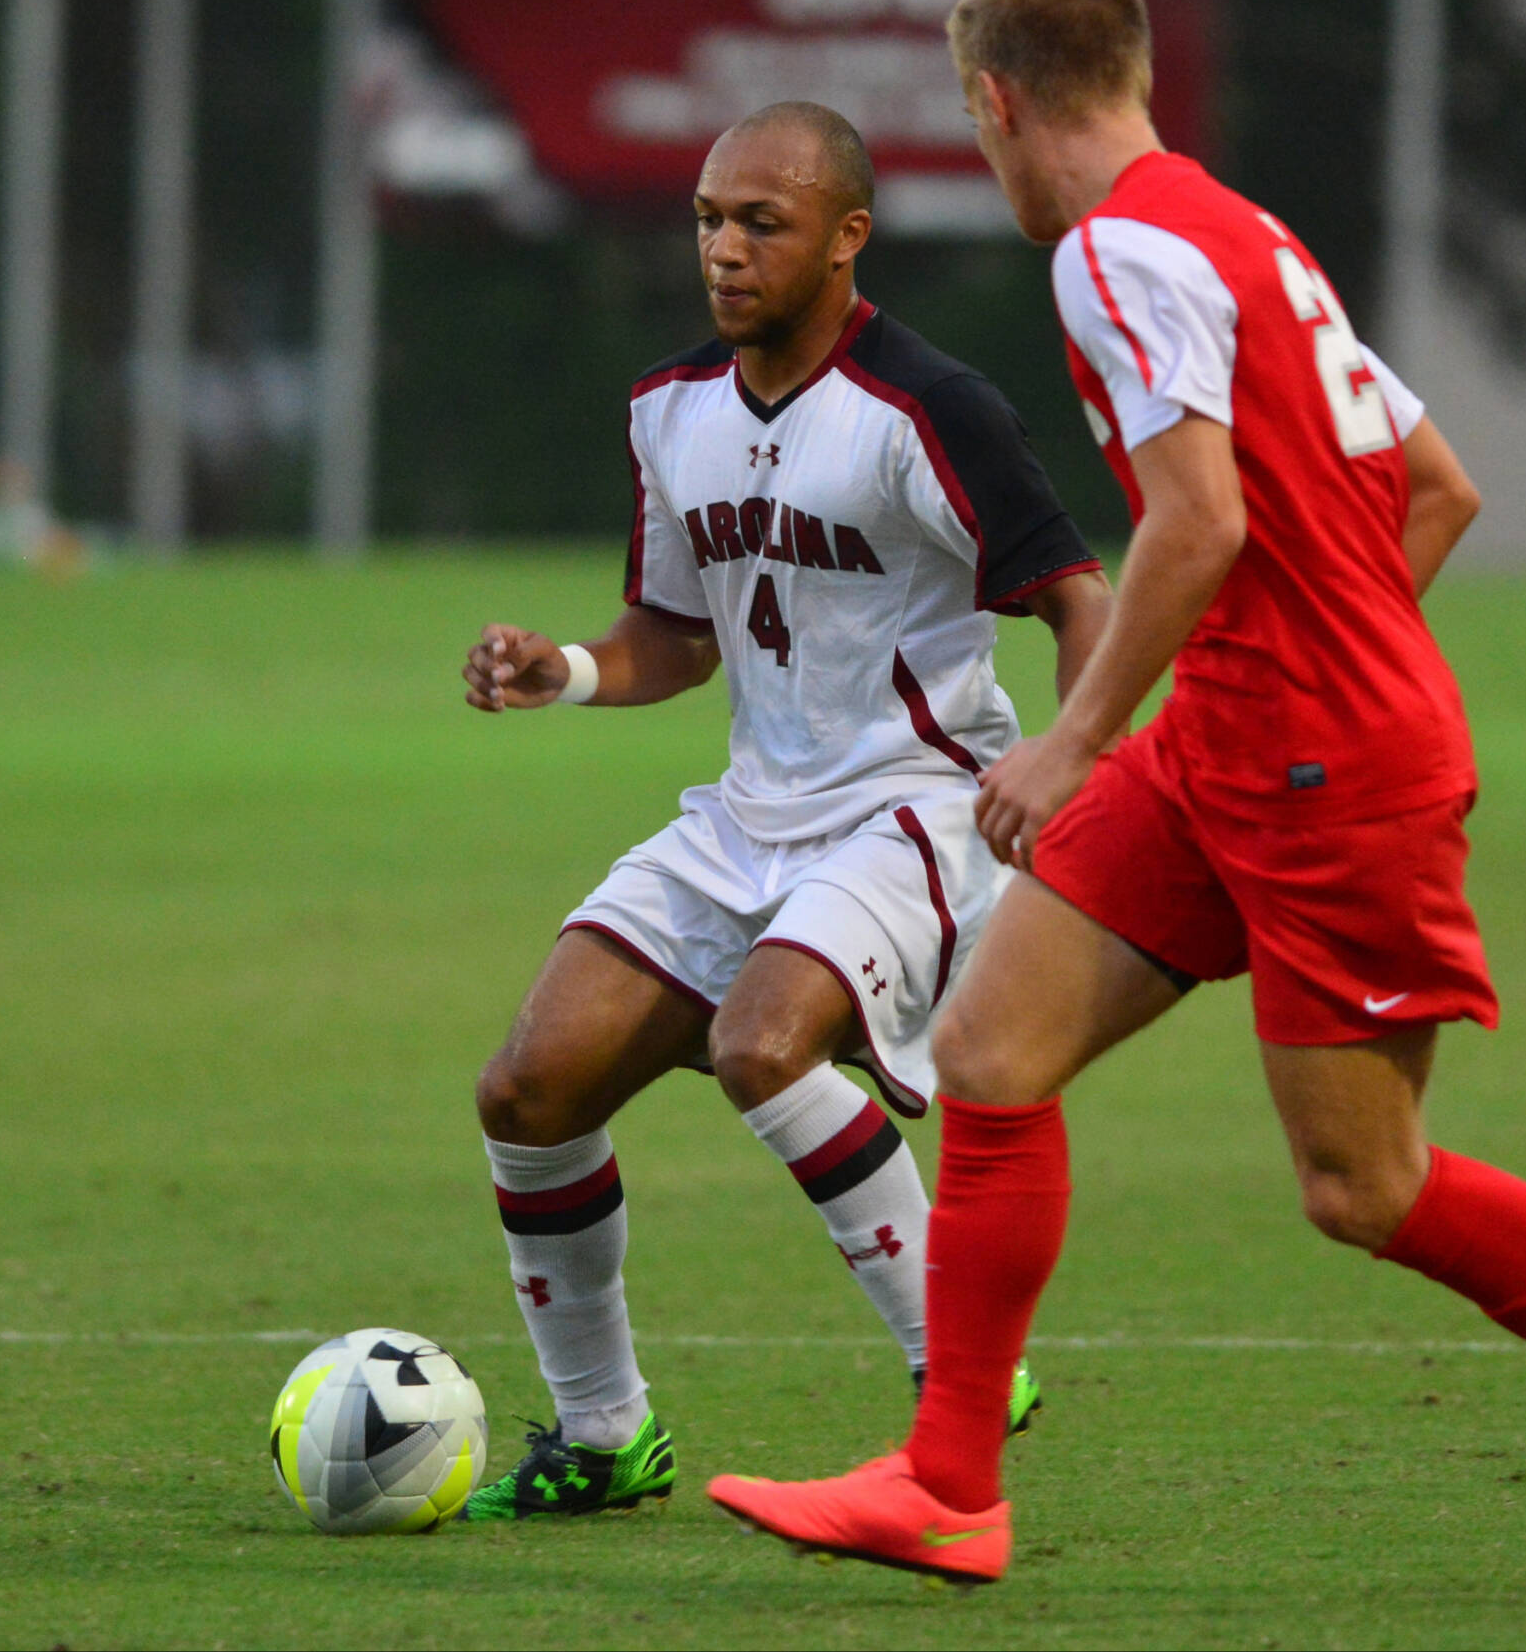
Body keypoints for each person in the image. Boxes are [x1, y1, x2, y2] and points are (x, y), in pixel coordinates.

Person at [710, 0, 1526, 1598]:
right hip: (1244, 736)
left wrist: (1082, 733)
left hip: (1321, 768)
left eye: (973, 119)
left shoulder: (1111, 254)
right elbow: (1437, 490)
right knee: (990, 1052)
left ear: (995, 104)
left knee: (1362, 1186)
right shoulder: (1241, 229)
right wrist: (1288, 670)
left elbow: (1199, 518)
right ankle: (948, 1485)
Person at [457, 101, 1111, 1521]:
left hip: (916, 805)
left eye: (764, 222)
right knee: (527, 1088)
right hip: (746, 816)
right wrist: (559, 672)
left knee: (763, 1042)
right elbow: (675, 638)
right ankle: (606, 1433)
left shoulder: (931, 409)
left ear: (846, 241)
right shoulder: (669, 408)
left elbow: (1082, 600)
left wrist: (1070, 761)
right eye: (708, 219)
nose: (727, 249)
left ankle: (961, 1366)